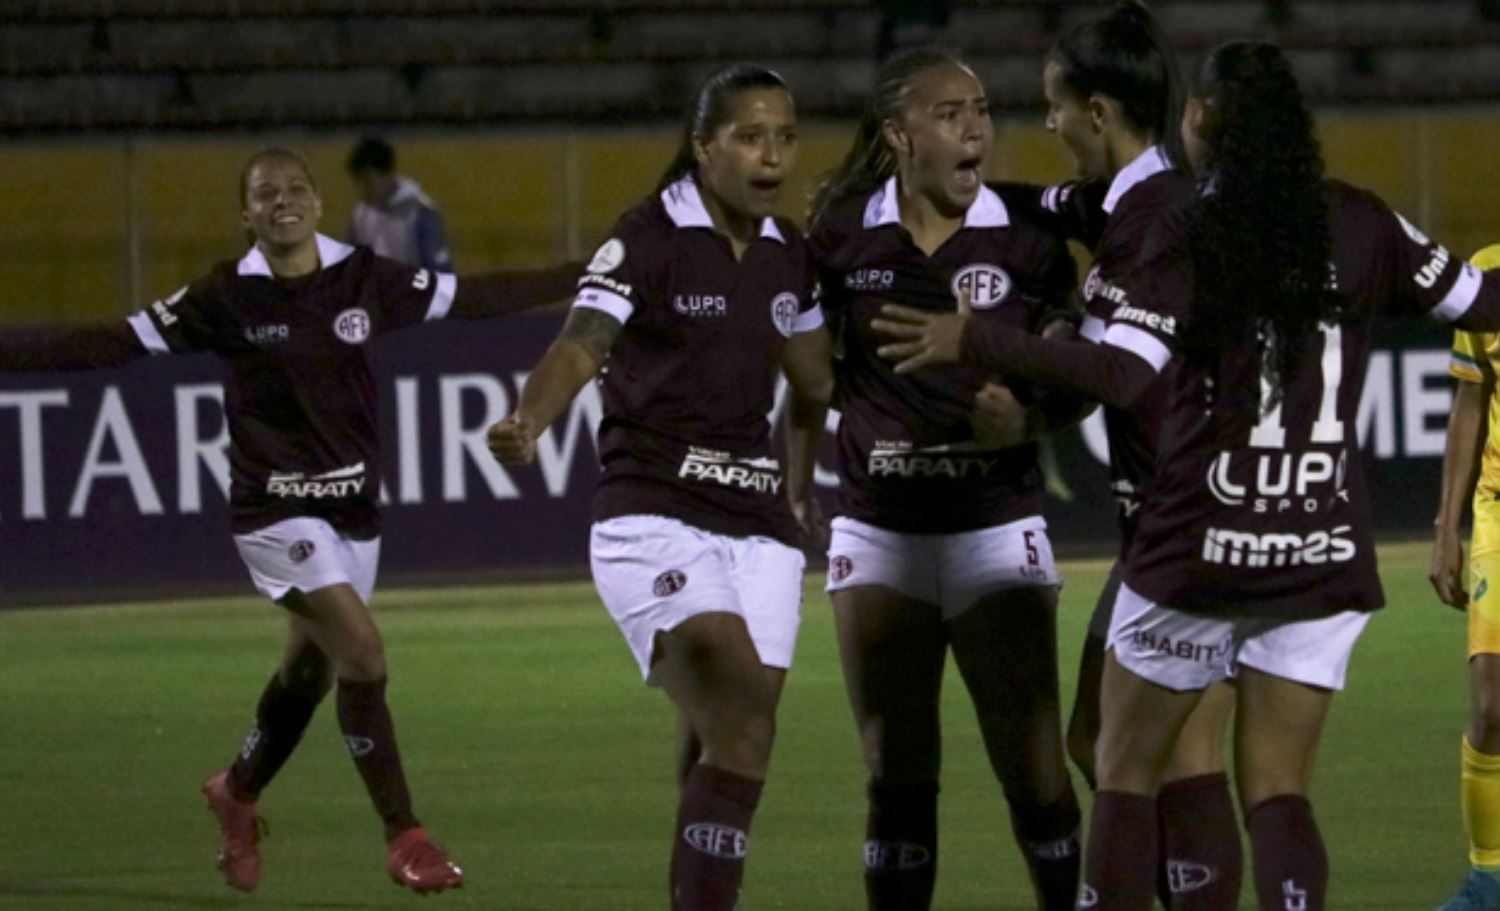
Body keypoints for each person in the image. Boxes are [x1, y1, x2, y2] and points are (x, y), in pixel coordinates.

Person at [871, 40, 1500, 911]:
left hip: (1205, 545)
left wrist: (975, 336)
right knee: (1278, 789)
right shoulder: (1364, 220)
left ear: (1200, 119)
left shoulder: (1190, 233)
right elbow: (1484, 302)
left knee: (1123, 766)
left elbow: (1121, 373)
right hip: (1321, 547)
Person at [0, 147, 579, 894]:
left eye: (297, 188)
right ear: (246, 214)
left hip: (353, 515)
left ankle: (237, 791)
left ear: (318, 202)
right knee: (362, 653)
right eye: (266, 193)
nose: (284, 201)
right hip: (274, 513)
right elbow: (115, 341)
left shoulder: (361, 276)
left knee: (307, 672)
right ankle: (406, 836)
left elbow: (477, 296)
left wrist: (584, 275)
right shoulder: (225, 294)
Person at [486, 64, 833, 911]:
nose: (772, 155)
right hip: (655, 513)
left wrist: (797, 490)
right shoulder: (648, 236)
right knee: (745, 718)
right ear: (703, 146)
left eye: (785, 137)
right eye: (750, 137)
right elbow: (580, 344)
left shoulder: (790, 253)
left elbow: (816, 382)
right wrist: (530, 417)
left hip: (759, 527)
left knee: (726, 735)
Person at [796, 46, 1090, 911]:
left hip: (996, 524)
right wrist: (793, 476)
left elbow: (1081, 369)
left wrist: (1026, 418)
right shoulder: (841, 233)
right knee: (895, 773)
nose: (975, 129)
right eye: (950, 113)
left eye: (982, 111)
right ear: (898, 135)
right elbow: (808, 371)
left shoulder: (1028, 238)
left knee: (1035, 771)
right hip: (877, 530)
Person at [1022, 4, 1242, 907]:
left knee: (1164, 755)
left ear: (1098, 112)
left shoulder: (1160, 219)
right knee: (1100, 741)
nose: (1048, 124)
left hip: (1192, 526)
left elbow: (1125, 374)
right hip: (1163, 527)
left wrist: (998, 343)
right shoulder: (1128, 205)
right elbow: (1035, 203)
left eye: (1055, 106)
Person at [1431, 244, 1500, 911]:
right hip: (1499, 514)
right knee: (1492, 706)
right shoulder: (1488, 275)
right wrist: (1445, 527)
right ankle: (1487, 881)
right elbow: (1470, 402)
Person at [346, 136, 454, 271]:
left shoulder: (420, 213)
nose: (363, 189)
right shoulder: (361, 215)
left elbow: (438, 271)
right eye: (358, 181)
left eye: (367, 180)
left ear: (387, 175)